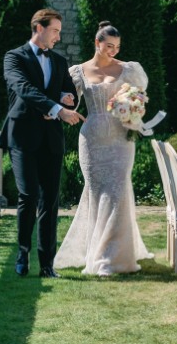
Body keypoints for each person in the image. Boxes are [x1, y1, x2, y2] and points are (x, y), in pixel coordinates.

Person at [54, 22, 153, 276]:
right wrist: (64, 104)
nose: (113, 51)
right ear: (97, 44)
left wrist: (132, 106)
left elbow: (139, 97)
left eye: (117, 47)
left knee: (119, 191)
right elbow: (67, 101)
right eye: (109, 46)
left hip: (121, 139)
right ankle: (97, 251)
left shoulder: (129, 70)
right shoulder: (78, 72)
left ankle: (113, 259)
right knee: (97, 194)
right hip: (92, 139)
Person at [0, 8, 81, 278]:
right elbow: (23, 88)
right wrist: (57, 108)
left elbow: (70, 90)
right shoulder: (14, 57)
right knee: (28, 195)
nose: (58, 36)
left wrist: (67, 98)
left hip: (51, 139)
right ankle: (23, 252)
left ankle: (47, 263)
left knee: (50, 200)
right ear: (39, 28)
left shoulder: (58, 61)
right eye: (55, 30)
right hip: (22, 135)